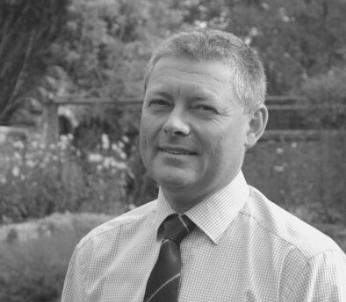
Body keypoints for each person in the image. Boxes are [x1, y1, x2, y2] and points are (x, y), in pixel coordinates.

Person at [61, 29, 346, 301]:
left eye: (203, 108)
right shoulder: (95, 256)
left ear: (253, 126)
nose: (173, 124)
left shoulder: (304, 267)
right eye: (160, 103)